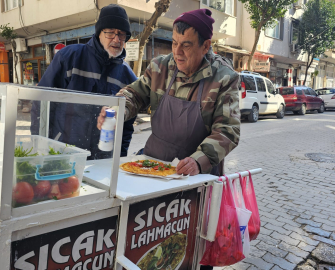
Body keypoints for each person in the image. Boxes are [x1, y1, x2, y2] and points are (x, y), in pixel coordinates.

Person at [98, 8, 240, 178]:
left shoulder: (224, 77)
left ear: (205, 46)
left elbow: (227, 130)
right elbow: (135, 94)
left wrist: (198, 160)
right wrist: (116, 111)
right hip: (153, 165)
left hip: (195, 176)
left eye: (186, 45)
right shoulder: (160, 67)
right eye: (174, 43)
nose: (177, 52)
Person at [31, 4, 137, 159]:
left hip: (102, 160)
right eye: (110, 33)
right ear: (99, 32)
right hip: (63, 155)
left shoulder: (127, 76)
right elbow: (41, 103)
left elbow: (126, 125)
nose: (116, 39)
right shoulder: (69, 58)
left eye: (121, 34)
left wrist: (118, 158)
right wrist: (40, 147)